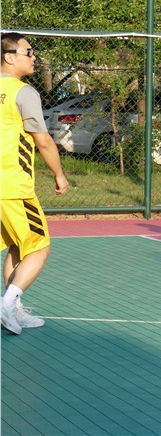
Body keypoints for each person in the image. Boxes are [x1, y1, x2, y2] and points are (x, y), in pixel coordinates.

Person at [1, 32, 70, 334]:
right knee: (40, 247)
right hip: (13, 186)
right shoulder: (23, 92)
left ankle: (12, 309)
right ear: (9, 56)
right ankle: (6, 304)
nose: (34, 57)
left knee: (18, 245)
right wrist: (59, 174)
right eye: (28, 51)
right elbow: (43, 142)